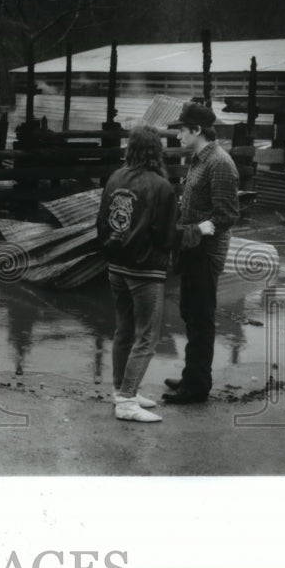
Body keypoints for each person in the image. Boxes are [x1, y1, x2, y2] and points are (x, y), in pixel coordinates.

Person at [96, 124, 178, 423]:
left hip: (116, 267)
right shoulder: (161, 186)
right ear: (157, 151)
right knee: (146, 337)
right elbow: (167, 236)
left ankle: (122, 391)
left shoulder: (115, 177)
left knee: (124, 331)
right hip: (145, 271)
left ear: (130, 148)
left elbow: (102, 222)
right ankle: (128, 402)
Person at [163, 101, 240, 404]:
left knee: (201, 316)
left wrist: (193, 232)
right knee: (190, 313)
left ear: (196, 130)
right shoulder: (199, 159)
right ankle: (191, 375)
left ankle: (196, 387)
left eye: (182, 130)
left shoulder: (219, 163)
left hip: (205, 252)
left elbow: (226, 216)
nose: (178, 135)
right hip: (192, 248)